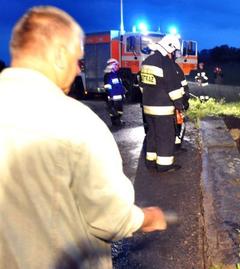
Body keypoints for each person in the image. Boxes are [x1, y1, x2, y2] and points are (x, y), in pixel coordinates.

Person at [0, 6, 167, 269]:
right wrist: (145, 218)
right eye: (77, 60)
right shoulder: (76, 123)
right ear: (58, 55)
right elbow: (111, 217)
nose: (79, 71)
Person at [139, 34, 184, 173]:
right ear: (170, 48)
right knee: (165, 136)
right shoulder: (166, 63)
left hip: (147, 106)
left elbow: (142, 85)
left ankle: (150, 162)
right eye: (174, 50)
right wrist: (180, 105)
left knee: (152, 134)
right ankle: (164, 165)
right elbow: (173, 87)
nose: (174, 54)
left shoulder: (147, 61)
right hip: (163, 108)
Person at [104, 58, 126, 126]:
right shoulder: (108, 76)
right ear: (112, 66)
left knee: (119, 111)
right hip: (113, 98)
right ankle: (116, 122)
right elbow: (108, 87)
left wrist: (123, 93)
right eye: (116, 65)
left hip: (119, 97)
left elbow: (120, 85)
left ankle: (117, 121)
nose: (117, 66)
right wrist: (111, 96)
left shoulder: (116, 74)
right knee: (114, 111)